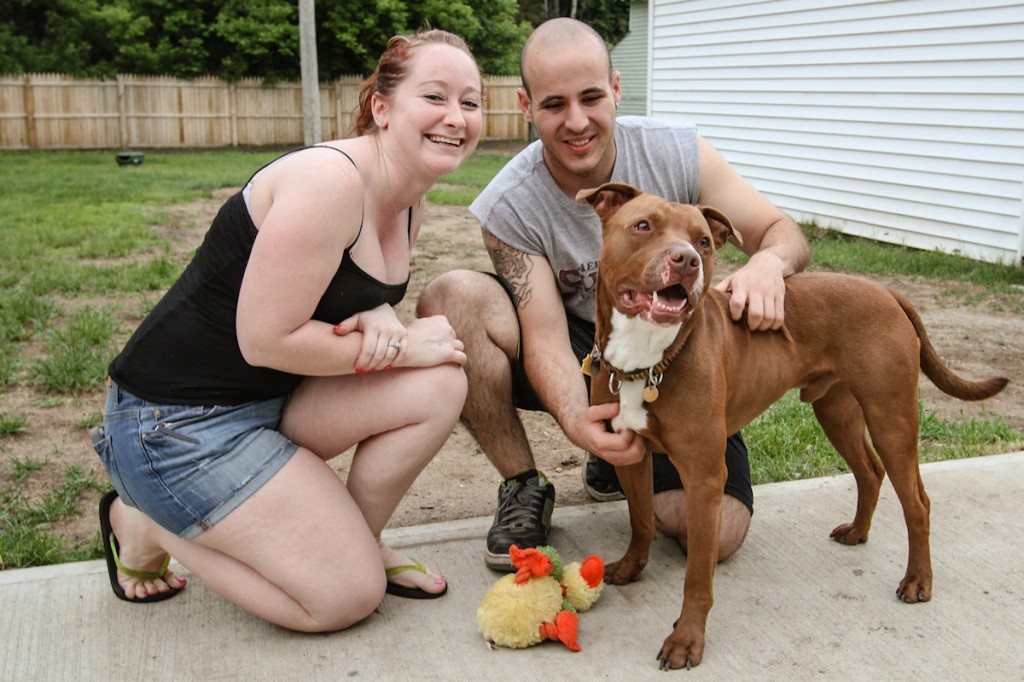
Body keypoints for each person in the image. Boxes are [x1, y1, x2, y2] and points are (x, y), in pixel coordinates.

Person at [90, 29, 482, 630]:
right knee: (344, 599)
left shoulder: (409, 198)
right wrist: (400, 344)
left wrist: (376, 316)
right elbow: (264, 340)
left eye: (471, 102)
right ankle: (143, 517)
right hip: (174, 425)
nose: (455, 118)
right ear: (381, 106)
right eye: (435, 97)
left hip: (271, 399)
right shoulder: (332, 181)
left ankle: (358, 539)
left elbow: (323, 297)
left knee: (440, 383)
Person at [416, 18, 810, 572]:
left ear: (617, 90)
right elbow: (547, 337)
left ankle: (621, 460)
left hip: (677, 355)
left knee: (715, 535)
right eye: (554, 104)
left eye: (592, 97)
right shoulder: (510, 203)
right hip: (588, 344)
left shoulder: (677, 152)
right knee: (452, 297)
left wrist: (770, 262)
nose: (576, 121)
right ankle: (526, 482)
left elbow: (780, 230)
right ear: (528, 106)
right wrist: (585, 421)